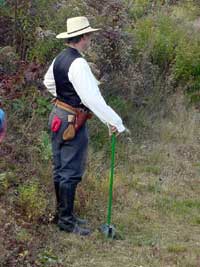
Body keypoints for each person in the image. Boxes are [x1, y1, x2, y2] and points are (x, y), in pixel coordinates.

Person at [43, 16, 125, 236]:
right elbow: (92, 98)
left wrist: (64, 98)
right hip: (71, 120)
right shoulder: (78, 63)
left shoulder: (60, 57)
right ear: (83, 37)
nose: (90, 40)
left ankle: (63, 216)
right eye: (89, 36)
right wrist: (114, 122)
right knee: (70, 172)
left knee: (60, 168)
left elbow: (48, 82)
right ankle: (67, 222)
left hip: (58, 115)